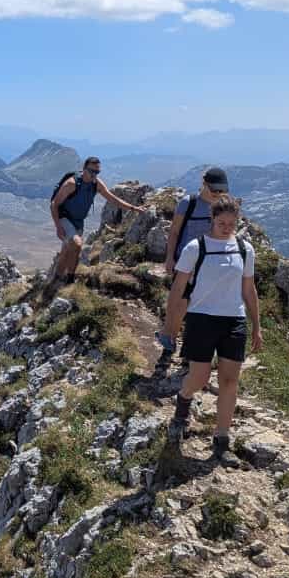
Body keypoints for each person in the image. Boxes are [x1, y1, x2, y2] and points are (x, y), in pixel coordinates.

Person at [159, 196, 263, 467]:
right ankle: (183, 401)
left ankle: (222, 440)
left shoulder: (244, 249)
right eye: (221, 223)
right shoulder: (196, 247)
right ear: (212, 221)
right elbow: (178, 287)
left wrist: (256, 327)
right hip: (201, 319)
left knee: (230, 382)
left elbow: (249, 290)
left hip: (234, 321)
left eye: (231, 223)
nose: (226, 227)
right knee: (200, 377)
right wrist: (171, 323)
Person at [50, 157, 140, 285]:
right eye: (92, 171)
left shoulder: (96, 184)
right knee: (77, 244)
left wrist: (133, 208)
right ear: (84, 169)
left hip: (78, 221)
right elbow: (54, 204)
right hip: (64, 217)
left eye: (97, 172)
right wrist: (58, 226)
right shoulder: (72, 183)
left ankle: (56, 279)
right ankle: (70, 280)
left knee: (66, 251)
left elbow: (112, 199)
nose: (94, 175)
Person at [164, 167, 231, 276]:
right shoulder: (189, 203)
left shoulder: (222, 206)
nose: (218, 193)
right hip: (185, 263)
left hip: (210, 263)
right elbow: (174, 232)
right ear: (204, 184)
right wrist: (169, 258)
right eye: (214, 189)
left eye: (222, 189)